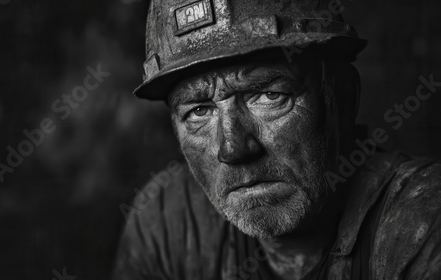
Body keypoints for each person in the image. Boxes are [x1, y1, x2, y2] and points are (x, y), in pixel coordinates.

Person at [112, 0, 441, 279]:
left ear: (342, 97)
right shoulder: (168, 224)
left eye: (268, 95)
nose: (233, 148)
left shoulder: (425, 222)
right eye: (199, 111)